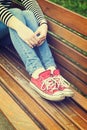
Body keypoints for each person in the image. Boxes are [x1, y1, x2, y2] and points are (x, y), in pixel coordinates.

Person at [0, 0, 74, 101]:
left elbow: (29, 1)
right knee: (16, 13)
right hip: (8, 21)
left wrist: (43, 24)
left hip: (5, 29)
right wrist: (20, 27)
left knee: (28, 14)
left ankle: (50, 70)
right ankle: (37, 72)